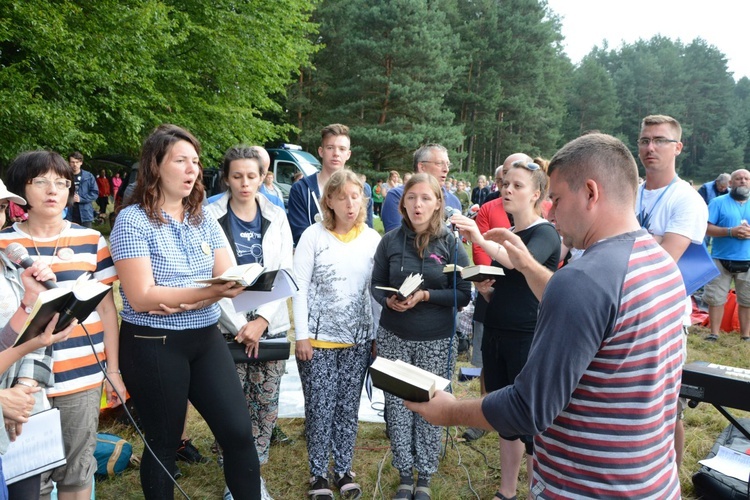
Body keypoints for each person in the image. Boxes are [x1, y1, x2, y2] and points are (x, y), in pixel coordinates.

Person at [407, 133, 685, 499]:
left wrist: (450, 411)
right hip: (649, 481)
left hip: (587, 486)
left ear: (590, 192)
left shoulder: (585, 279)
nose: (550, 211)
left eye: (555, 197)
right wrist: (524, 263)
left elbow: (529, 408)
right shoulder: (660, 262)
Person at [109, 124, 260, 499]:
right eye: (181, 160)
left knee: (239, 434)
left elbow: (228, 277)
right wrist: (203, 293)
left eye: (195, 161)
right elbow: (142, 296)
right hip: (153, 342)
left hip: (205, 337)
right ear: (156, 166)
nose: (192, 169)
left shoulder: (203, 216)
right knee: (164, 442)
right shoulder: (132, 220)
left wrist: (194, 299)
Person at [0, 151, 124, 500]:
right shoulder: (4, 244)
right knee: (28, 477)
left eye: (62, 183)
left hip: (80, 377)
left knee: (76, 470)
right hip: (20, 388)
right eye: (40, 181)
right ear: (20, 191)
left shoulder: (91, 240)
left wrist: (112, 369)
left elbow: (107, 310)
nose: (52, 190)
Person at [451, 159, 560, 500]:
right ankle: (507, 490)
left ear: (537, 194)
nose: (507, 190)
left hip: (526, 338)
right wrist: (485, 288)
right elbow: (509, 282)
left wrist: (479, 236)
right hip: (496, 332)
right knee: (503, 418)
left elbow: (518, 261)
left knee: (528, 423)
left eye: (517, 185)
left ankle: (535, 491)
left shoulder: (544, 232)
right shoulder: (510, 234)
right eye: (505, 184)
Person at [371, 173, 471, 500]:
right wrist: (387, 299)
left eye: (426, 198)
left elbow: (464, 293)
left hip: (436, 340)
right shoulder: (389, 240)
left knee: (429, 405)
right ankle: (404, 472)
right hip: (394, 337)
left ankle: (424, 476)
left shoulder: (451, 243)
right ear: (403, 203)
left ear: (438, 203)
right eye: (412, 198)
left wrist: (426, 296)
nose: (418, 204)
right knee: (398, 407)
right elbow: (375, 284)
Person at [206, 145, 293, 499]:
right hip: (225, 325)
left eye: (252, 176)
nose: (245, 183)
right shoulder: (208, 215)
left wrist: (261, 321)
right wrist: (240, 324)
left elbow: (285, 270)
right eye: (237, 176)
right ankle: (235, 481)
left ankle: (252, 476)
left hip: (270, 324)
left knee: (265, 406)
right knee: (232, 408)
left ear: (262, 177)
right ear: (226, 177)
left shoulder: (277, 215)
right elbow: (208, 273)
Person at [293, 170, 380, 500]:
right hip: (318, 342)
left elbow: (374, 293)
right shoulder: (313, 237)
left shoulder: (372, 239)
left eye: (355, 196)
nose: (350, 203)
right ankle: (318, 474)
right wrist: (301, 335)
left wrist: (374, 336)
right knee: (319, 408)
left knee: (347, 408)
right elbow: (298, 288)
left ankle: (343, 469)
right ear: (328, 200)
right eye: (342, 196)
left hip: (358, 341)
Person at [635, 114, 707, 469]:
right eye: (645, 140)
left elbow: (665, 259)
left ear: (677, 147)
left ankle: (670, 476)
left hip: (664, 314)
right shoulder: (629, 192)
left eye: (660, 140)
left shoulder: (687, 200)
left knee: (666, 404)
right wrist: (651, 239)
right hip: (624, 310)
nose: (650, 147)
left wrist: (631, 243)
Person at [703, 168, 750, 342]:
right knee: (715, 298)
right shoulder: (717, 202)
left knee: (747, 300)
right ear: (730, 183)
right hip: (720, 259)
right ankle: (713, 333)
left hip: (748, 260)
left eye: (746, 178)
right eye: (738, 178)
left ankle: (745, 336)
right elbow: (706, 228)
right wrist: (730, 232)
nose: (742, 181)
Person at [288, 124, 352, 245]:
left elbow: (364, 234)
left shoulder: (361, 190)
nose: (336, 153)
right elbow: (300, 236)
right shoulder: (301, 189)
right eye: (330, 148)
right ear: (321, 151)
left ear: (348, 154)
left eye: (342, 149)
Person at [381, 145, 462, 233]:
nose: (446, 169)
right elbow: (396, 242)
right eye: (439, 163)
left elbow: (456, 243)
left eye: (448, 164)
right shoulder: (397, 196)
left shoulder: (454, 201)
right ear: (422, 167)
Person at [65, 152, 98, 228]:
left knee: (86, 237)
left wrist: (81, 199)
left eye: (77, 162)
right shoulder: (65, 176)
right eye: (72, 162)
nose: (75, 164)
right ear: (69, 163)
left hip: (85, 214)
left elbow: (95, 193)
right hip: (69, 213)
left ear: (81, 163)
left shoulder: (88, 176)